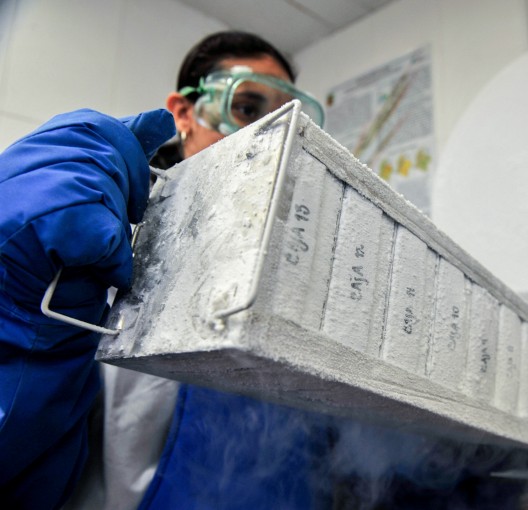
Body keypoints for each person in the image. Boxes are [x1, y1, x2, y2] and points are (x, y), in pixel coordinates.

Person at [0, 30, 330, 510]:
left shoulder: (302, 274)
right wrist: (15, 306)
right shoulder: (99, 243)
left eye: (288, 120)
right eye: (247, 108)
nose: (270, 135)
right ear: (184, 113)